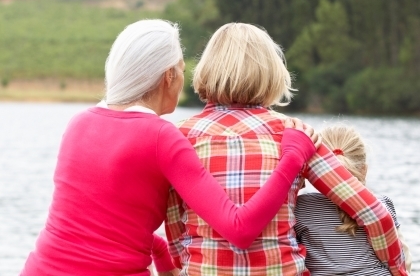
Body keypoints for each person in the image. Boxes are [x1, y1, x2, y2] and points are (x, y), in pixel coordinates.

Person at [19, 19, 319, 276]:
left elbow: (107, 227)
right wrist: (293, 156)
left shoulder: (79, 123)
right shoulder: (161, 136)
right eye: (182, 72)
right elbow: (239, 228)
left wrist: (164, 262)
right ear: (169, 76)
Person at [164, 22, 408, 276]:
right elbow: (375, 216)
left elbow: (175, 229)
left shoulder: (179, 137)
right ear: (271, 71)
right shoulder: (294, 133)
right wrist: (397, 268)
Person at [294, 125, 412, 275]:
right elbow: (404, 261)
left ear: (315, 172)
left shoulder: (301, 208)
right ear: (364, 170)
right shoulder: (382, 204)